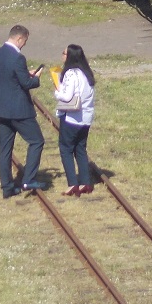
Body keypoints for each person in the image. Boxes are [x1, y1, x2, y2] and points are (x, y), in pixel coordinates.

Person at [0, 24, 46, 195]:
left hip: (1, 109)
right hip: (19, 110)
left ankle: (7, 187)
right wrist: (36, 78)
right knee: (37, 141)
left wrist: (23, 72)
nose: (24, 45)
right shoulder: (18, 58)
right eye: (24, 42)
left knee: (5, 147)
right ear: (19, 38)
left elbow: (7, 75)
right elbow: (26, 83)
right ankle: (28, 180)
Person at [54, 44, 97, 196]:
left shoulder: (71, 74)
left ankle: (72, 183)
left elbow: (66, 96)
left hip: (72, 117)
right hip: (86, 118)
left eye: (64, 53)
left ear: (70, 56)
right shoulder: (87, 73)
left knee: (66, 148)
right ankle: (85, 182)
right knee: (80, 148)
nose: (62, 56)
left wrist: (57, 90)